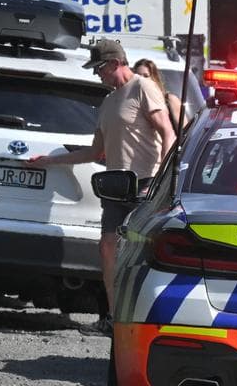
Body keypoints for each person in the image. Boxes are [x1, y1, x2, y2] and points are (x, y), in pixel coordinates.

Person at [28, 40, 178, 334]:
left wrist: (159, 180)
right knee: (108, 247)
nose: (97, 75)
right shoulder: (109, 101)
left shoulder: (143, 87)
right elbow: (95, 152)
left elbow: (168, 133)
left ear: (114, 64)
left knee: (142, 251)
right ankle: (113, 317)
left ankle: (149, 317)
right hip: (114, 186)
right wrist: (49, 161)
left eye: (99, 68)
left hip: (144, 185)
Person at [132, 58, 188, 134]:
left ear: (154, 78)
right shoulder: (130, 103)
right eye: (138, 76)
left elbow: (185, 133)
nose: (141, 80)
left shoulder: (169, 100)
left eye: (146, 76)